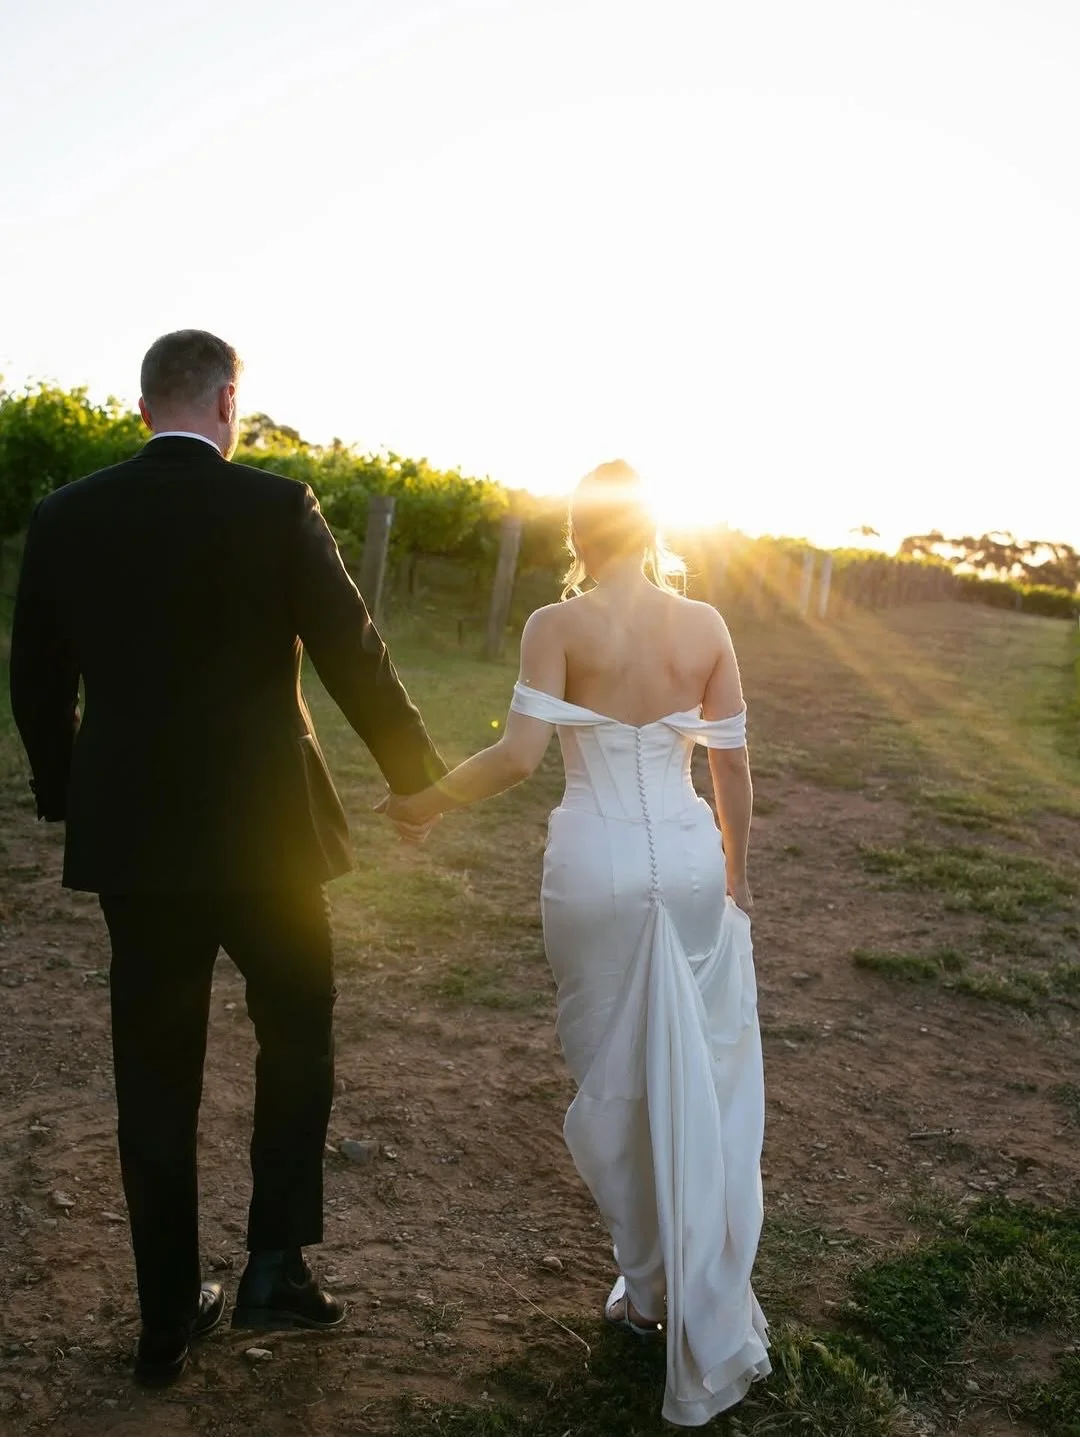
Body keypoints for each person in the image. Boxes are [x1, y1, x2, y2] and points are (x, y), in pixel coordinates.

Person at [8, 330, 445, 1386]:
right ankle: (275, 1268)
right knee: (298, 1030)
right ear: (226, 403)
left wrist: (69, 792)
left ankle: (166, 1314)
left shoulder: (67, 516)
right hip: (270, 834)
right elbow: (352, 649)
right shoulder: (276, 506)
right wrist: (414, 778)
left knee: (154, 1070)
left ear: (144, 406)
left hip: (137, 842)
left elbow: (35, 678)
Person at [381, 461, 770, 1426]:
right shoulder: (707, 626)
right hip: (688, 859)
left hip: (595, 865)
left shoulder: (555, 626)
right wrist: (734, 873)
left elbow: (519, 757)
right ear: (653, 529)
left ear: (576, 536)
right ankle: (677, 1282)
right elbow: (731, 767)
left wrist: (427, 803)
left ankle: (647, 1286)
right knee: (697, 1073)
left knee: (617, 1079)